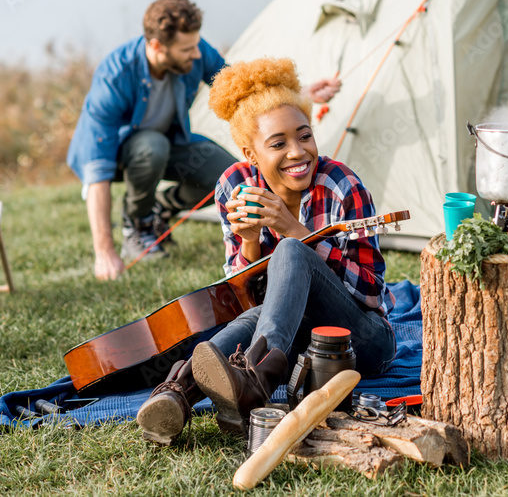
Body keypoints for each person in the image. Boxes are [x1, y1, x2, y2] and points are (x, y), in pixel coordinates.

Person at [135, 57, 395, 445]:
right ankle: (177, 396)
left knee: (291, 250)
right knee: (253, 315)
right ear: (250, 154)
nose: (297, 152)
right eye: (278, 144)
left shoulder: (342, 185)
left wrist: (296, 233)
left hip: (360, 341)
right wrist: (250, 242)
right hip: (298, 340)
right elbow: (242, 301)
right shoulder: (235, 186)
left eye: (304, 135)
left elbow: (371, 293)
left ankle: (254, 376)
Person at [66, 0, 341, 281]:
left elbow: (237, 86)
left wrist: (298, 94)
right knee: (151, 146)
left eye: (196, 45)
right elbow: (97, 171)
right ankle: (137, 227)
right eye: (187, 49)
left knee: (230, 178)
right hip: (122, 154)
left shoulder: (195, 50)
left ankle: (162, 207)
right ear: (157, 46)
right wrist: (104, 252)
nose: (197, 55)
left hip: (173, 143)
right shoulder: (115, 77)